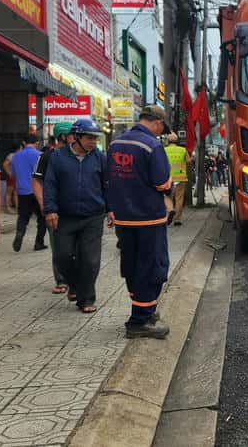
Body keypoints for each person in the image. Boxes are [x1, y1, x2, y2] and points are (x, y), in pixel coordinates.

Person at [107, 105, 172, 339]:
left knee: (132, 266)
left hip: (124, 218)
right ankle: (139, 320)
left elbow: (108, 180)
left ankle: (145, 309)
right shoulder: (152, 145)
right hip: (149, 218)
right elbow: (163, 183)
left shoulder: (115, 144)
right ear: (158, 123)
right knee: (152, 266)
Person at [43, 119, 107, 314]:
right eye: (89, 138)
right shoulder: (58, 157)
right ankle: (74, 284)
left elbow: (108, 185)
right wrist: (50, 209)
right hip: (65, 217)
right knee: (62, 256)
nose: (93, 142)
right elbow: (50, 184)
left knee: (90, 260)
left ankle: (87, 298)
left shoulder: (99, 157)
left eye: (95, 138)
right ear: (76, 137)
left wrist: (112, 209)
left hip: (93, 216)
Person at [32, 122, 73, 295]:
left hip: (75, 210)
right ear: (64, 136)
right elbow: (36, 181)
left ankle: (76, 280)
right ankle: (62, 280)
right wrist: (44, 205)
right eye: (73, 134)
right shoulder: (46, 156)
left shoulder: (78, 155)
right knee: (58, 247)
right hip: (54, 209)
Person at [11, 135, 47, 252]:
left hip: (22, 191)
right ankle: (39, 243)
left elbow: (13, 173)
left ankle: (20, 234)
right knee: (42, 218)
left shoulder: (15, 156)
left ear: (24, 142)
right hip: (38, 191)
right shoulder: (40, 155)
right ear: (36, 143)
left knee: (23, 216)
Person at [163, 133, 192, 227]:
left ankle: (170, 212)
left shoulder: (164, 150)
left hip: (168, 178)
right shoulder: (183, 150)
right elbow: (188, 162)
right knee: (179, 198)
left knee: (168, 197)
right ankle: (177, 219)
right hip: (180, 177)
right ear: (177, 141)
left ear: (168, 141)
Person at [2, 142, 21, 214]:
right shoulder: (11, 155)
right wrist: (9, 173)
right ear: (19, 147)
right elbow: (5, 165)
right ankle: (7, 208)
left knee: (16, 192)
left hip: (17, 176)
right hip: (12, 176)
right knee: (9, 192)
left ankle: (17, 208)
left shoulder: (18, 155)